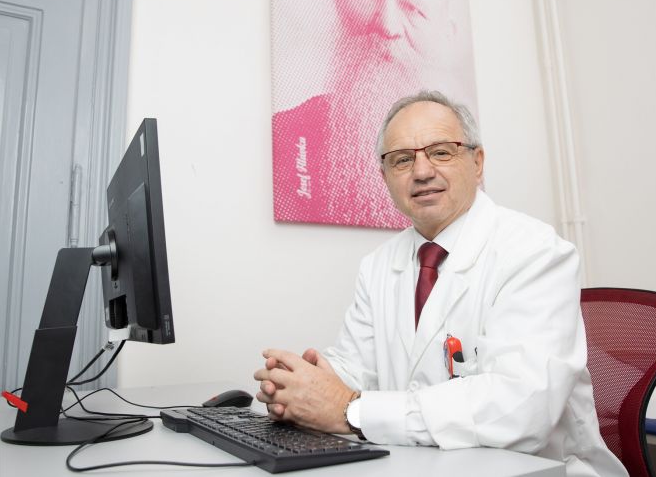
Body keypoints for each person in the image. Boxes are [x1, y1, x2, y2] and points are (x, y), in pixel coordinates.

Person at [257, 91, 628, 477]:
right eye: (402, 159)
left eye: (440, 152)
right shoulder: (377, 265)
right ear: (384, 177)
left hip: (540, 470)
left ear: (477, 162)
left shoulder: (536, 252)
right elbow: (358, 367)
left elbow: (520, 407)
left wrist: (351, 409)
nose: (421, 172)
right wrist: (305, 383)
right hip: (422, 464)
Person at [272, 0, 476, 229]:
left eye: (413, 8)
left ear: (447, 33)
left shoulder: (473, 169)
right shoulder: (288, 134)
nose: (387, 24)